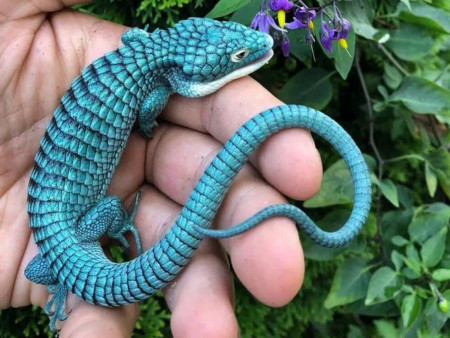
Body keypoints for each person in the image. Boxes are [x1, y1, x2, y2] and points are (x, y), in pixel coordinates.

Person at [0, 1, 323, 337]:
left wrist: (67, 277)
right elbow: (147, 113)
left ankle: (67, 277)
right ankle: (98, 246)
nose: (259, 46)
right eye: (238, 56)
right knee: (110, 209)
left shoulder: (139, 43)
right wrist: (148, 125)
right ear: (186, 71)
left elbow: (38, 271)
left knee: (57, 262)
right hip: (77, 230)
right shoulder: (159, 86)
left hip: (53, 213)